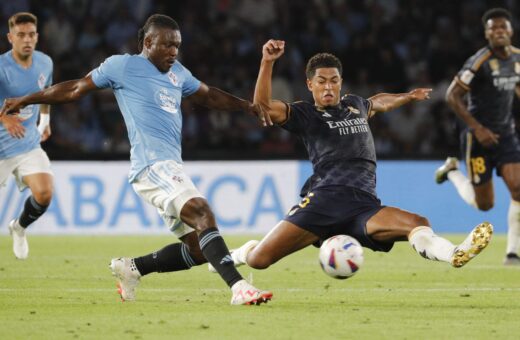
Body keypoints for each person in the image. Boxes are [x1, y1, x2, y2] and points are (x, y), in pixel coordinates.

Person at [0, 14, 272, 305]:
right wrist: (28, 99)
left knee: (198, 249)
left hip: (170, 166)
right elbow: (75, 88)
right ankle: (238, 287)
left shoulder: (177, 72)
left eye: (177, 46)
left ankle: (133, 268)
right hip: (152, 166)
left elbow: (208, 96)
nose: (173, 52)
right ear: (148, 42)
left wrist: (247, 106)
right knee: (203, 212)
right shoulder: (123, 66)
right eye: (168, 45)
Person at [208, 39, 493, 279]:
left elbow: (379, 101)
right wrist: (267, 62)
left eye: (334, 81)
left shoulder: (355, 105)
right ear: (310, 85)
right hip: (323, 202)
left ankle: (454, 253)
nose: (328, 87)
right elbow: (263, 107)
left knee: (417, 221)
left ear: (341, 82)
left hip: (363, 205)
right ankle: (240, 253)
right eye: (321, 82)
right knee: (260, 260)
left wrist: (407, 96)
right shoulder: (305, 114)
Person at [434, 8, 520, 266]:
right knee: (485, 205)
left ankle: (513, 252)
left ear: (511, 31)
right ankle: (451, 171)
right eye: (493, 28)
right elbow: (452, 95)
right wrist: (478, 128)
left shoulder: (517, 59)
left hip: (506, 135)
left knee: (518, 188)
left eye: (503, 27)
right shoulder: (479, 61)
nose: (499, 32)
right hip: (477, 138)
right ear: (487, 34)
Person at [0, 12, 53, 260]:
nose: (27, 39)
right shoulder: (1, 68)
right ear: (10, 37)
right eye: (21, 35)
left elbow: (46, 94)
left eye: (31, 34)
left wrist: (45, 121)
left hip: (27, 143)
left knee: (44, 194)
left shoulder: (45, 63)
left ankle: (18, 228)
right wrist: (4, 117)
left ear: (37, 36)